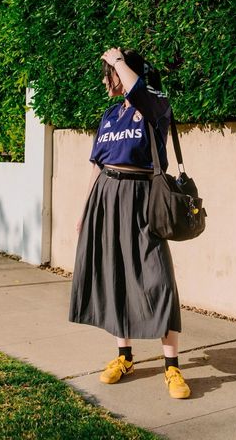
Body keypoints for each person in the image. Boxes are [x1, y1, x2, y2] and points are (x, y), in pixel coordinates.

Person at [69, 47, 190, 399]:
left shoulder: (154, 104)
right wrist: (83, 209)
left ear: (123, 72)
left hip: (143, 200)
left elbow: (141, 93)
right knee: (115, 278)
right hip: (106, 198)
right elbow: (97, 163)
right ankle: (124, 357)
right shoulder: (109, 115)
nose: (107, 81)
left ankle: (172, 367)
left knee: (159, 279)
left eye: (110, 73)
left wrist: (119, 61)